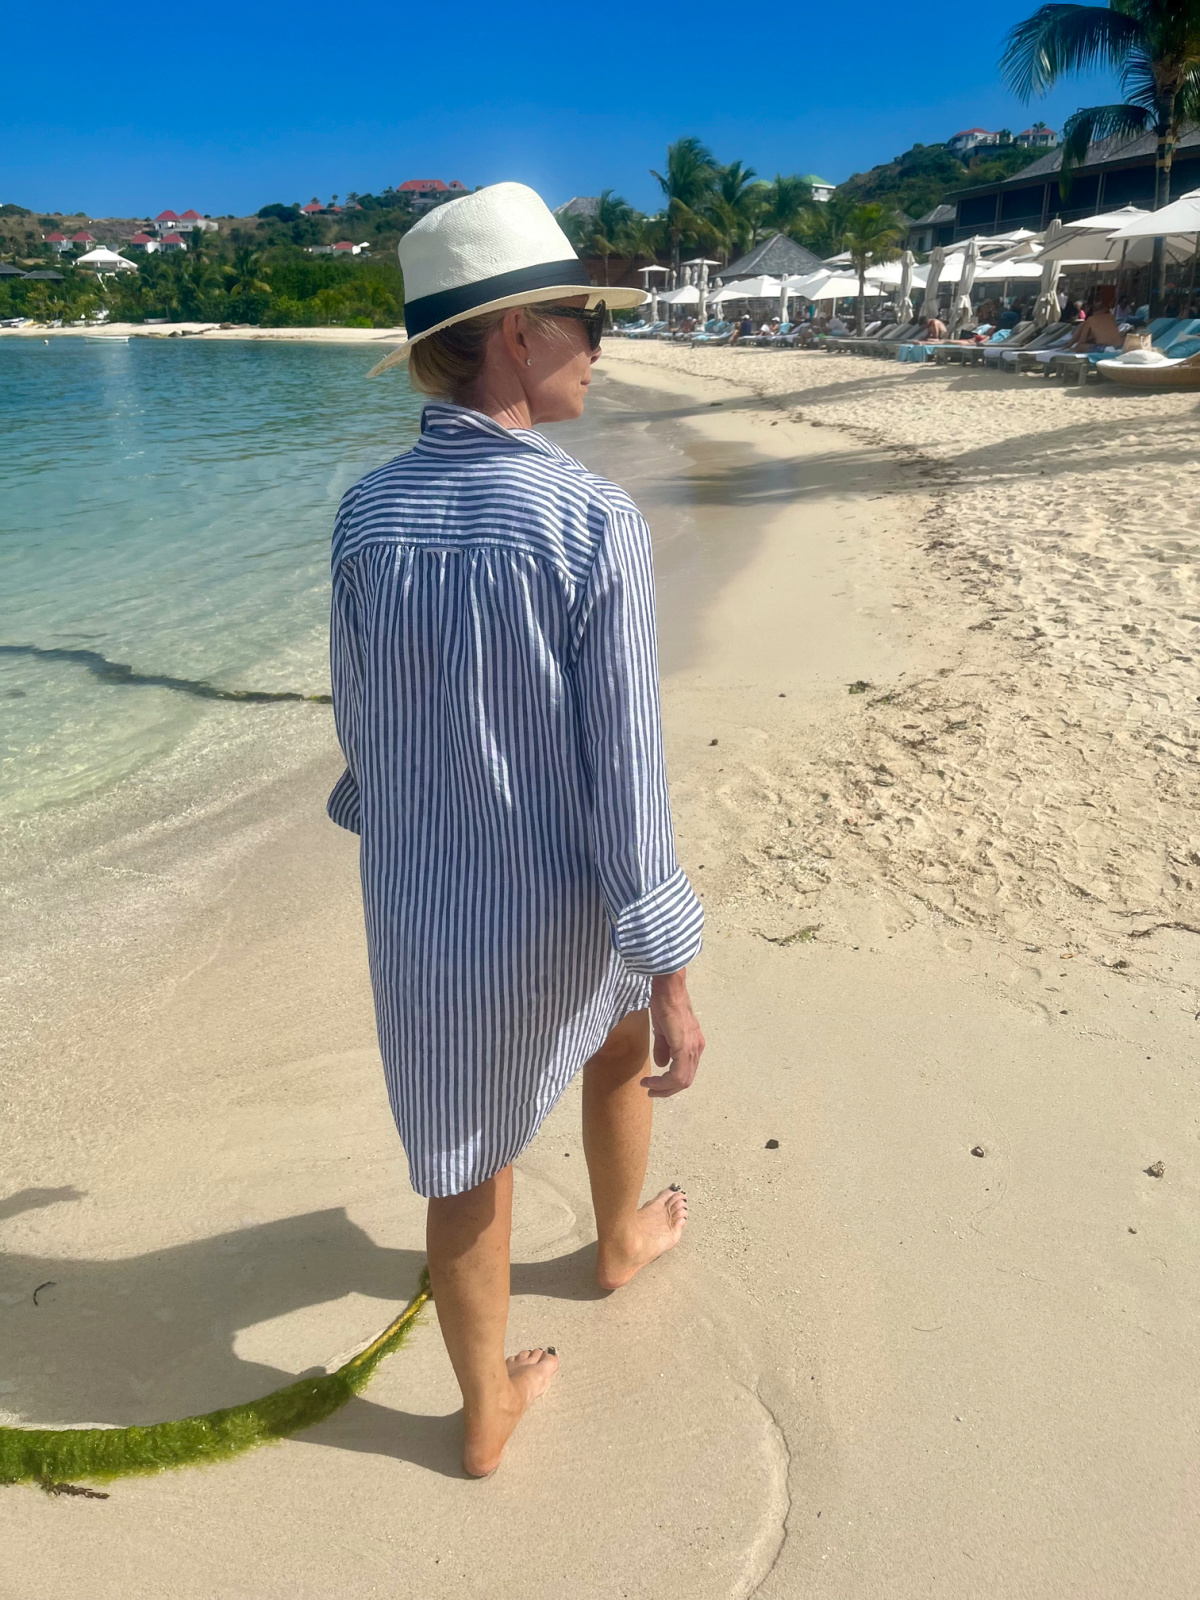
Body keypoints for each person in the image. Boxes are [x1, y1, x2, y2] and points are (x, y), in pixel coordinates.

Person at [335, 184, 705, 1478]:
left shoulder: (365, 515)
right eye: (586, 319)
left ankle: (487, 1402)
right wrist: (671, 967)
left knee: (463, 1157)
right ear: (515, 337)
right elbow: (627, 770)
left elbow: (362, 725)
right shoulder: (592, 521)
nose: (601, 343)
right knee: (616, 1031)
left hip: (424, 912)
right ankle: (612, 1247)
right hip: (567, 900)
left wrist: (405, 833)